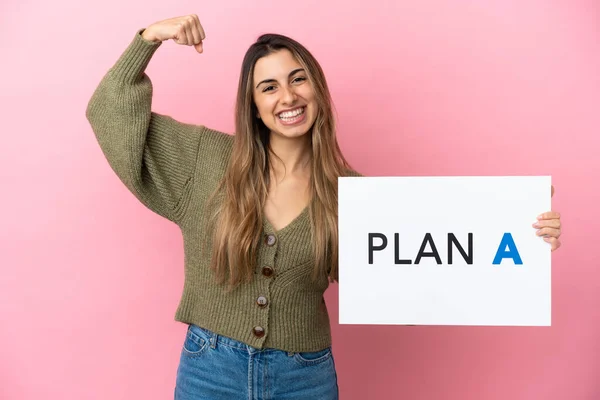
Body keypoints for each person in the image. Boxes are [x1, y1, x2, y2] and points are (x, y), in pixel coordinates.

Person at [85, 14, 563, 400]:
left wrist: (522, 234)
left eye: (298, 79)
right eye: (268, 87)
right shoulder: (203, 159)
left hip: (305, 378)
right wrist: (150, 38)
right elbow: (107, 112)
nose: (288, 96)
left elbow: (418, 275)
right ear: (253, 105)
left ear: (317, 89)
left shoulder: (352, 194)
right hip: (210, 370)